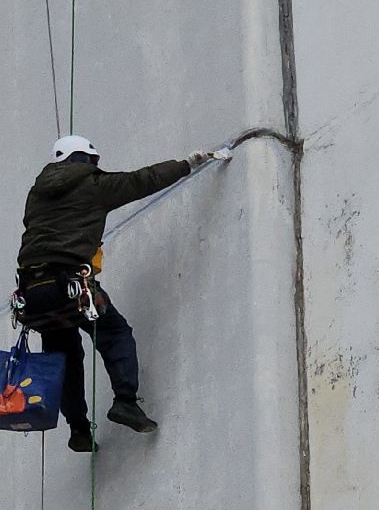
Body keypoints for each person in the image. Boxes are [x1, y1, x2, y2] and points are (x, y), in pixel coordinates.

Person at [15, 135, 227, 452]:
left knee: (63, 356)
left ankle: (79, 430)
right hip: (71, 284)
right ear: (87, 160)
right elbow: (143, 181)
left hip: (33, 293)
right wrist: (187, 164)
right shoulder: (93, 184)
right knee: (114, 333)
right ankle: (125, 401)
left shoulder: (36, 196)